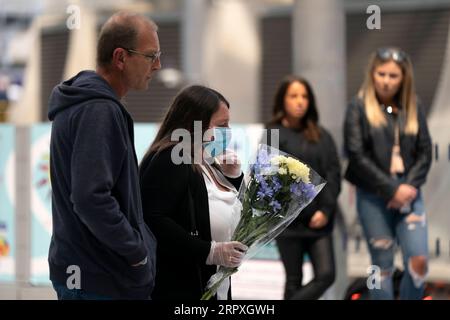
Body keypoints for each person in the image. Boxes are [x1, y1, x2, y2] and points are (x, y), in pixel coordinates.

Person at [47, 12, 161, 300]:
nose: (157, 66)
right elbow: (90, 199)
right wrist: (136, 251)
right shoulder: (99, 110)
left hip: (86, 273)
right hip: (101, 279)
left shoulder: (82, 104)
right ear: (120, 57)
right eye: (151, 56)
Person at [139, 85, 247, 300]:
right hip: (180, 285)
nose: (227, 131)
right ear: (196, 123)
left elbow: (224, 204)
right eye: (221, 124)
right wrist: (209, 251)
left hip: (214, 281)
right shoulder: (171, 156)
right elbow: (153, 219)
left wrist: (234, 178)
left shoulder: (204, 159)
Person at [344, 47, 432, 300]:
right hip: (373, 195)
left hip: (410, 192)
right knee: (381, 266)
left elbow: (425, 153)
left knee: (418, 262)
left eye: (393, 75)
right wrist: (391, 189)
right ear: (372, 74)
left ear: (404, 77)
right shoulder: (358, 107)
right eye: (381, 73)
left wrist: (407, 188)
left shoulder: (414, 105)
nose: (386, 80)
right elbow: (356, 155)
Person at [266, 75, 341, 300]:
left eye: (304, 96)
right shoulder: (273, 133)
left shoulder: (322, 135)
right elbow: (270, 177)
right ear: (283, 101)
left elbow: (333, 174)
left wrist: (325, 211)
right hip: (288, 221)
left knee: (326, 274)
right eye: (293, 96)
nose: (300, 101)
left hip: (319, 221)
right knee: (293, 281)